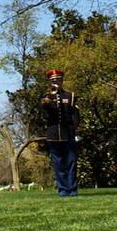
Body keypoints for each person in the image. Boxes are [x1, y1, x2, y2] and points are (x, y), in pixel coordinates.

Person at [41, 69, 80, 197]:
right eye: (53, 81)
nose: (55, 82)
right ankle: (63, 190)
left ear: (62, 81)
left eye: (57, 80)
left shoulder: (70, 96)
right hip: (53, 135)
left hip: (68, 134)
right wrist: (48, 100)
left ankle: (72, 190)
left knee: (71, 163)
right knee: (58, 164)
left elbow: (75, 114)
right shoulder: (47, 97)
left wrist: (77, 129)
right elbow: (44, 111)